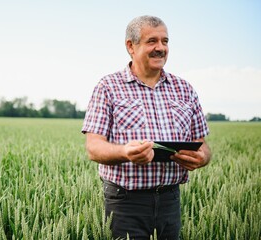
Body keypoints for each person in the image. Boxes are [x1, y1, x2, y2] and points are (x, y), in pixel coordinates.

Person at [81, 15, 212, 240]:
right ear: (131, 46)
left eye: (165, 41)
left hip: (170, 200)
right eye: (152, 41)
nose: (161, 48)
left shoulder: (184, 89)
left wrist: (202, 158)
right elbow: (93, 148)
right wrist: (125, 153)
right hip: (125, 202)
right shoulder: (108, 87)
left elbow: (203, 145)